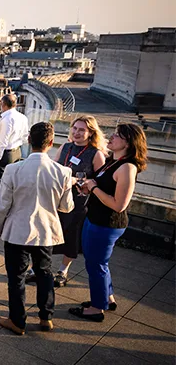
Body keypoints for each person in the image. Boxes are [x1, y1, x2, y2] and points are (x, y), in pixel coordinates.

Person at [0, 122, 74, 335]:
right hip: (46, 230)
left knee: (16, 277)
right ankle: (46, 317)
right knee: (45, 273)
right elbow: (66, 207)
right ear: (51, 143)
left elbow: (3, 204)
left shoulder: (13, 169)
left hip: (17, 230)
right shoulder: (64, 172)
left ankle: (17, 321)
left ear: (29, 140)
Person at [70, 123, 148, 322]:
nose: (111, 137)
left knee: (96, 266)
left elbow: (119, 205)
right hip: (95, 219)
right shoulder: (112, 161)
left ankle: (97, 308)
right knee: (97, 263)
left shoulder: (127, 168)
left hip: (107, 224)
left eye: (117, 135)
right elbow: (102, 186)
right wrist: (88, 188)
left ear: (129, 142)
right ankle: (107, 298)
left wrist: (94, 188)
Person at [28, 115, 106, 287]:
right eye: (75, 128)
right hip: (56, 200)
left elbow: (99, 182)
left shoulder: (96, 154)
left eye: (82, 130)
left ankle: (63, 271)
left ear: (91, 133)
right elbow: (53, 168)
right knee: (45, 234)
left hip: (78, 204)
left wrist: (81, 183)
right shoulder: (65, 147)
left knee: (71, 237)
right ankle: (36, 268)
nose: (77, 133)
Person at [0, 93, 29, 197]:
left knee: (1, 186)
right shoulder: (23, 117)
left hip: (5, 155)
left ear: (3, 104)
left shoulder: (6, 119)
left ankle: (0, 211)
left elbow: (2, 141)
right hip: (17, 152)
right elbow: (25, 137)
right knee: (13, 184)